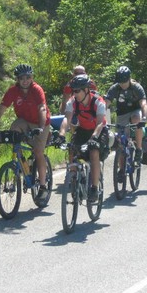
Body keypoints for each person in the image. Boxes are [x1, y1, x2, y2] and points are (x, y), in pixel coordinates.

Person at [0, 64, 51, 200]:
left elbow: (42, 109)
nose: (25, 80)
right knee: (14, 129)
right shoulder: (13, 91)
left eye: (28, 77)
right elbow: (1, 109)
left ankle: (43, 186)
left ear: (32, 77)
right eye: (22, 78)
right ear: (17, 79)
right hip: (24, 121)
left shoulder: (37, 89)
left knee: (38, 152)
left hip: (41, 122)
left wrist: (40, 127)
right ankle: (23, 165)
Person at [55, 74, 109, 203]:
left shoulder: (98, 102)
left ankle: (94, 188)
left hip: (99, 131)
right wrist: (61, 135)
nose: (75, 93)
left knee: (93, 151)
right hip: (83, 130)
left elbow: (100, 123)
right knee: (72, 149)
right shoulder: (73, 102)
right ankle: (74, 182)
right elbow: (66, 119)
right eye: (73, 91)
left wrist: (94, 138)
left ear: (86, 90)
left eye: (77, 91)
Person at [105, 66, 147, 182]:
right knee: (120, 142)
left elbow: (143, 103)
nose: (122, 84)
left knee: (136, 120)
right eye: (120, 81)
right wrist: (101, 118)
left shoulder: (136, 87)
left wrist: (144, 118)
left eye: (124, 81)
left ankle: (138, 149)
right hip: (122, 114)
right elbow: (105, 103)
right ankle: (121, 168)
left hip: (135, 111)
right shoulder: (114, 88)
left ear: (129, 79)